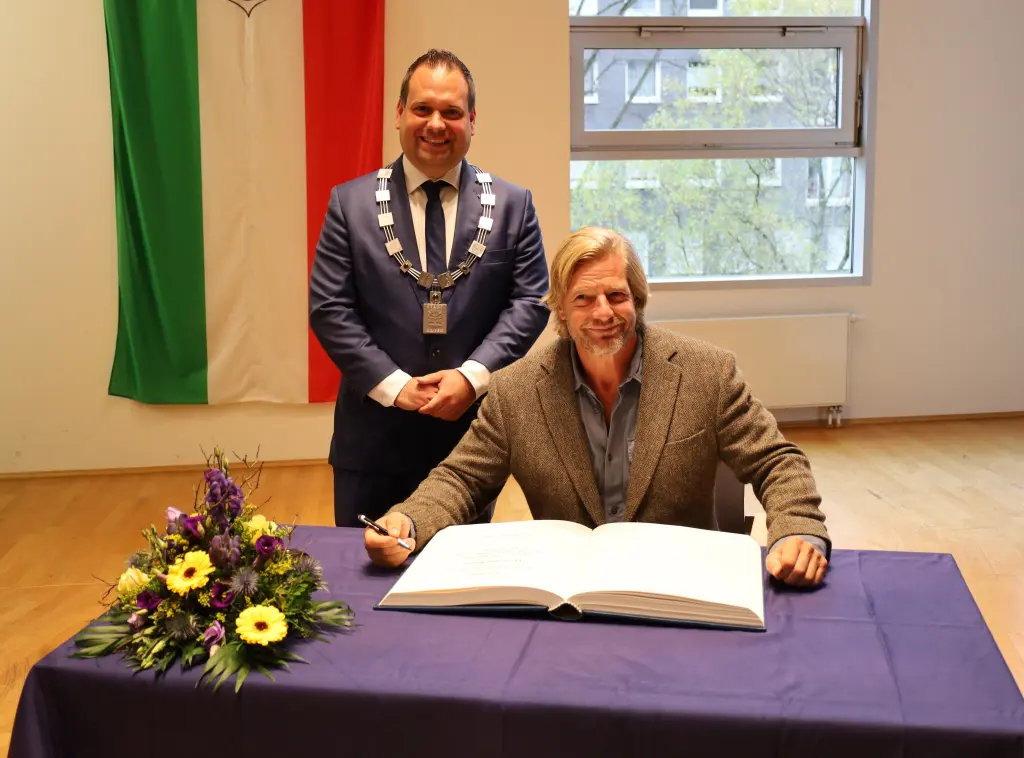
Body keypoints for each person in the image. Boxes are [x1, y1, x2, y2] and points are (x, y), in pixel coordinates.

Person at [364, 227, 832, 587]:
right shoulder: (516, 391)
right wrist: (409, 519)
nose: (603, 312)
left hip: (681, 585)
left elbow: (777, 462)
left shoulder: (707, 373)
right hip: (568, 596)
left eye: (616, 296)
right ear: (562, 310)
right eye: (584, 299)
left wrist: (797, 530)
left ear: (639, 299)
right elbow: (461, 479)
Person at [309, 49, 549, 527]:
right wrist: (396, 388)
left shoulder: (513, 206)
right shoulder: (349, 204)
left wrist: (472, 377)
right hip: (372, 441)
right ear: (399, 114)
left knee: (459, 589)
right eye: (423, 109)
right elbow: (330, 308)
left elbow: (529, 302)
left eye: (451, 112)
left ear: (472, 120)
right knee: (365, 582)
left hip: (470, 445)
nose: (436, 124)